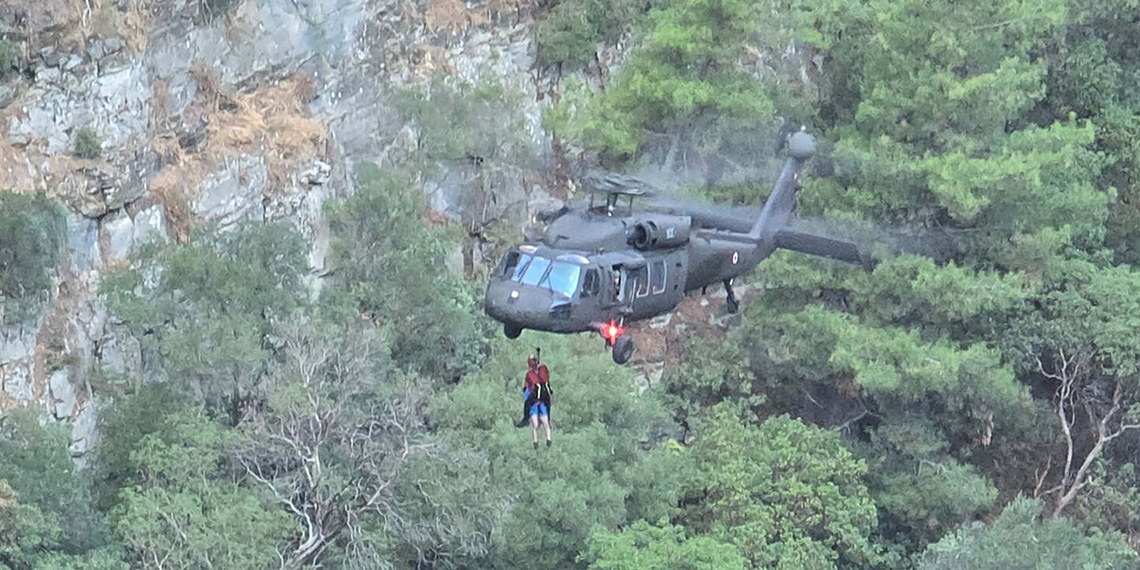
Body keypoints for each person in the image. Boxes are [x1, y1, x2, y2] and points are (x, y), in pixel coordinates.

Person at [516, 354, 552, 448]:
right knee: (545, 422)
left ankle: (525, 420)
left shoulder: (531, 375)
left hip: (535, 400)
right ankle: (547, 440)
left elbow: (527, 391)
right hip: (544, 399)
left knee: (535, 424)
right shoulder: (542, 372)